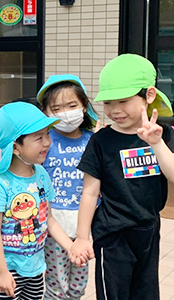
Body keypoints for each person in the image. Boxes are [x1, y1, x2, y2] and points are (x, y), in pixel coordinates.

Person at [69, 53, 174, 300]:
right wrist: (83, 238)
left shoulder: (163, 134)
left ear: (148, 96)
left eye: (123, 101)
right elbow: (90, 191)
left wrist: (157, 144)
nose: (115, 110)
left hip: (148, 229)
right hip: (112, 234)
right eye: (108, 103)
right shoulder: (101, 141)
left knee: (146, 293)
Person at [0, 102, 81, 300]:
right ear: (15, 147)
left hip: (35, 266)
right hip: (7, 267)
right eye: (39, 137)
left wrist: (70, 246)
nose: (47, 142)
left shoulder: (41, 174)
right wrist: (2, 272)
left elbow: (49, 219)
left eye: (47, 134)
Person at [37, 74, 97, 300]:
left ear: (84, 106)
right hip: (54, 227)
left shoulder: (93, 140)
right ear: (46, 113)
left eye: (72, 105)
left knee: (78, 286)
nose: (65, 113)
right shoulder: (44, 140)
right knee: (57, 287)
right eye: (57, 108)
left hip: (85, 226)